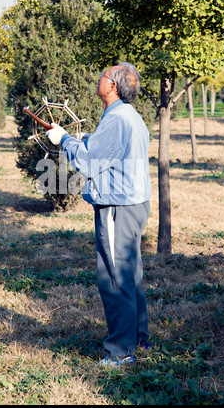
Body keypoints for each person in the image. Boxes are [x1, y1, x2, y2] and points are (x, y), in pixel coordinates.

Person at [46, 62, 152, 367]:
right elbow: (105, 150)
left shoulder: (117, 118)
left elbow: (90, 164)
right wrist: (79, 140)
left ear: (113, 86)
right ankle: (139, 338)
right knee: (130, 274)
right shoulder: (126, 115)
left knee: (115, 277)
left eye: (103, 75)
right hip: (132, 205)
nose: (99, 78)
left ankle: (121, 352)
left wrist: (64, 141)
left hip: (117, 208)